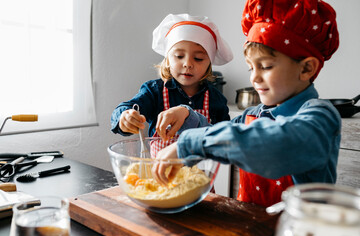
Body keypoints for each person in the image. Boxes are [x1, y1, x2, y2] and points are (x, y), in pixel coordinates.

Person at [152, 0, 341, 207]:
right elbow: (218, 135)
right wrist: (187, 114)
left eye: (266, 66)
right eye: (251, 68)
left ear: (306, 69)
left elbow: (275, 143)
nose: (254, 78)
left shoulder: (320, 117)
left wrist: (189, 143)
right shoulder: (254, 115)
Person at [111, 13, 233, 155]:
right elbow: (125, 108)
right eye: (179, 56)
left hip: (200, 174)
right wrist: (125, 118)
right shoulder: (154, 92)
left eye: (198, 58)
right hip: (161, 173)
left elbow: (226, 138)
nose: (187, 64)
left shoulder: (216, 99)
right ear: (167, 60)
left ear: (209, 64)